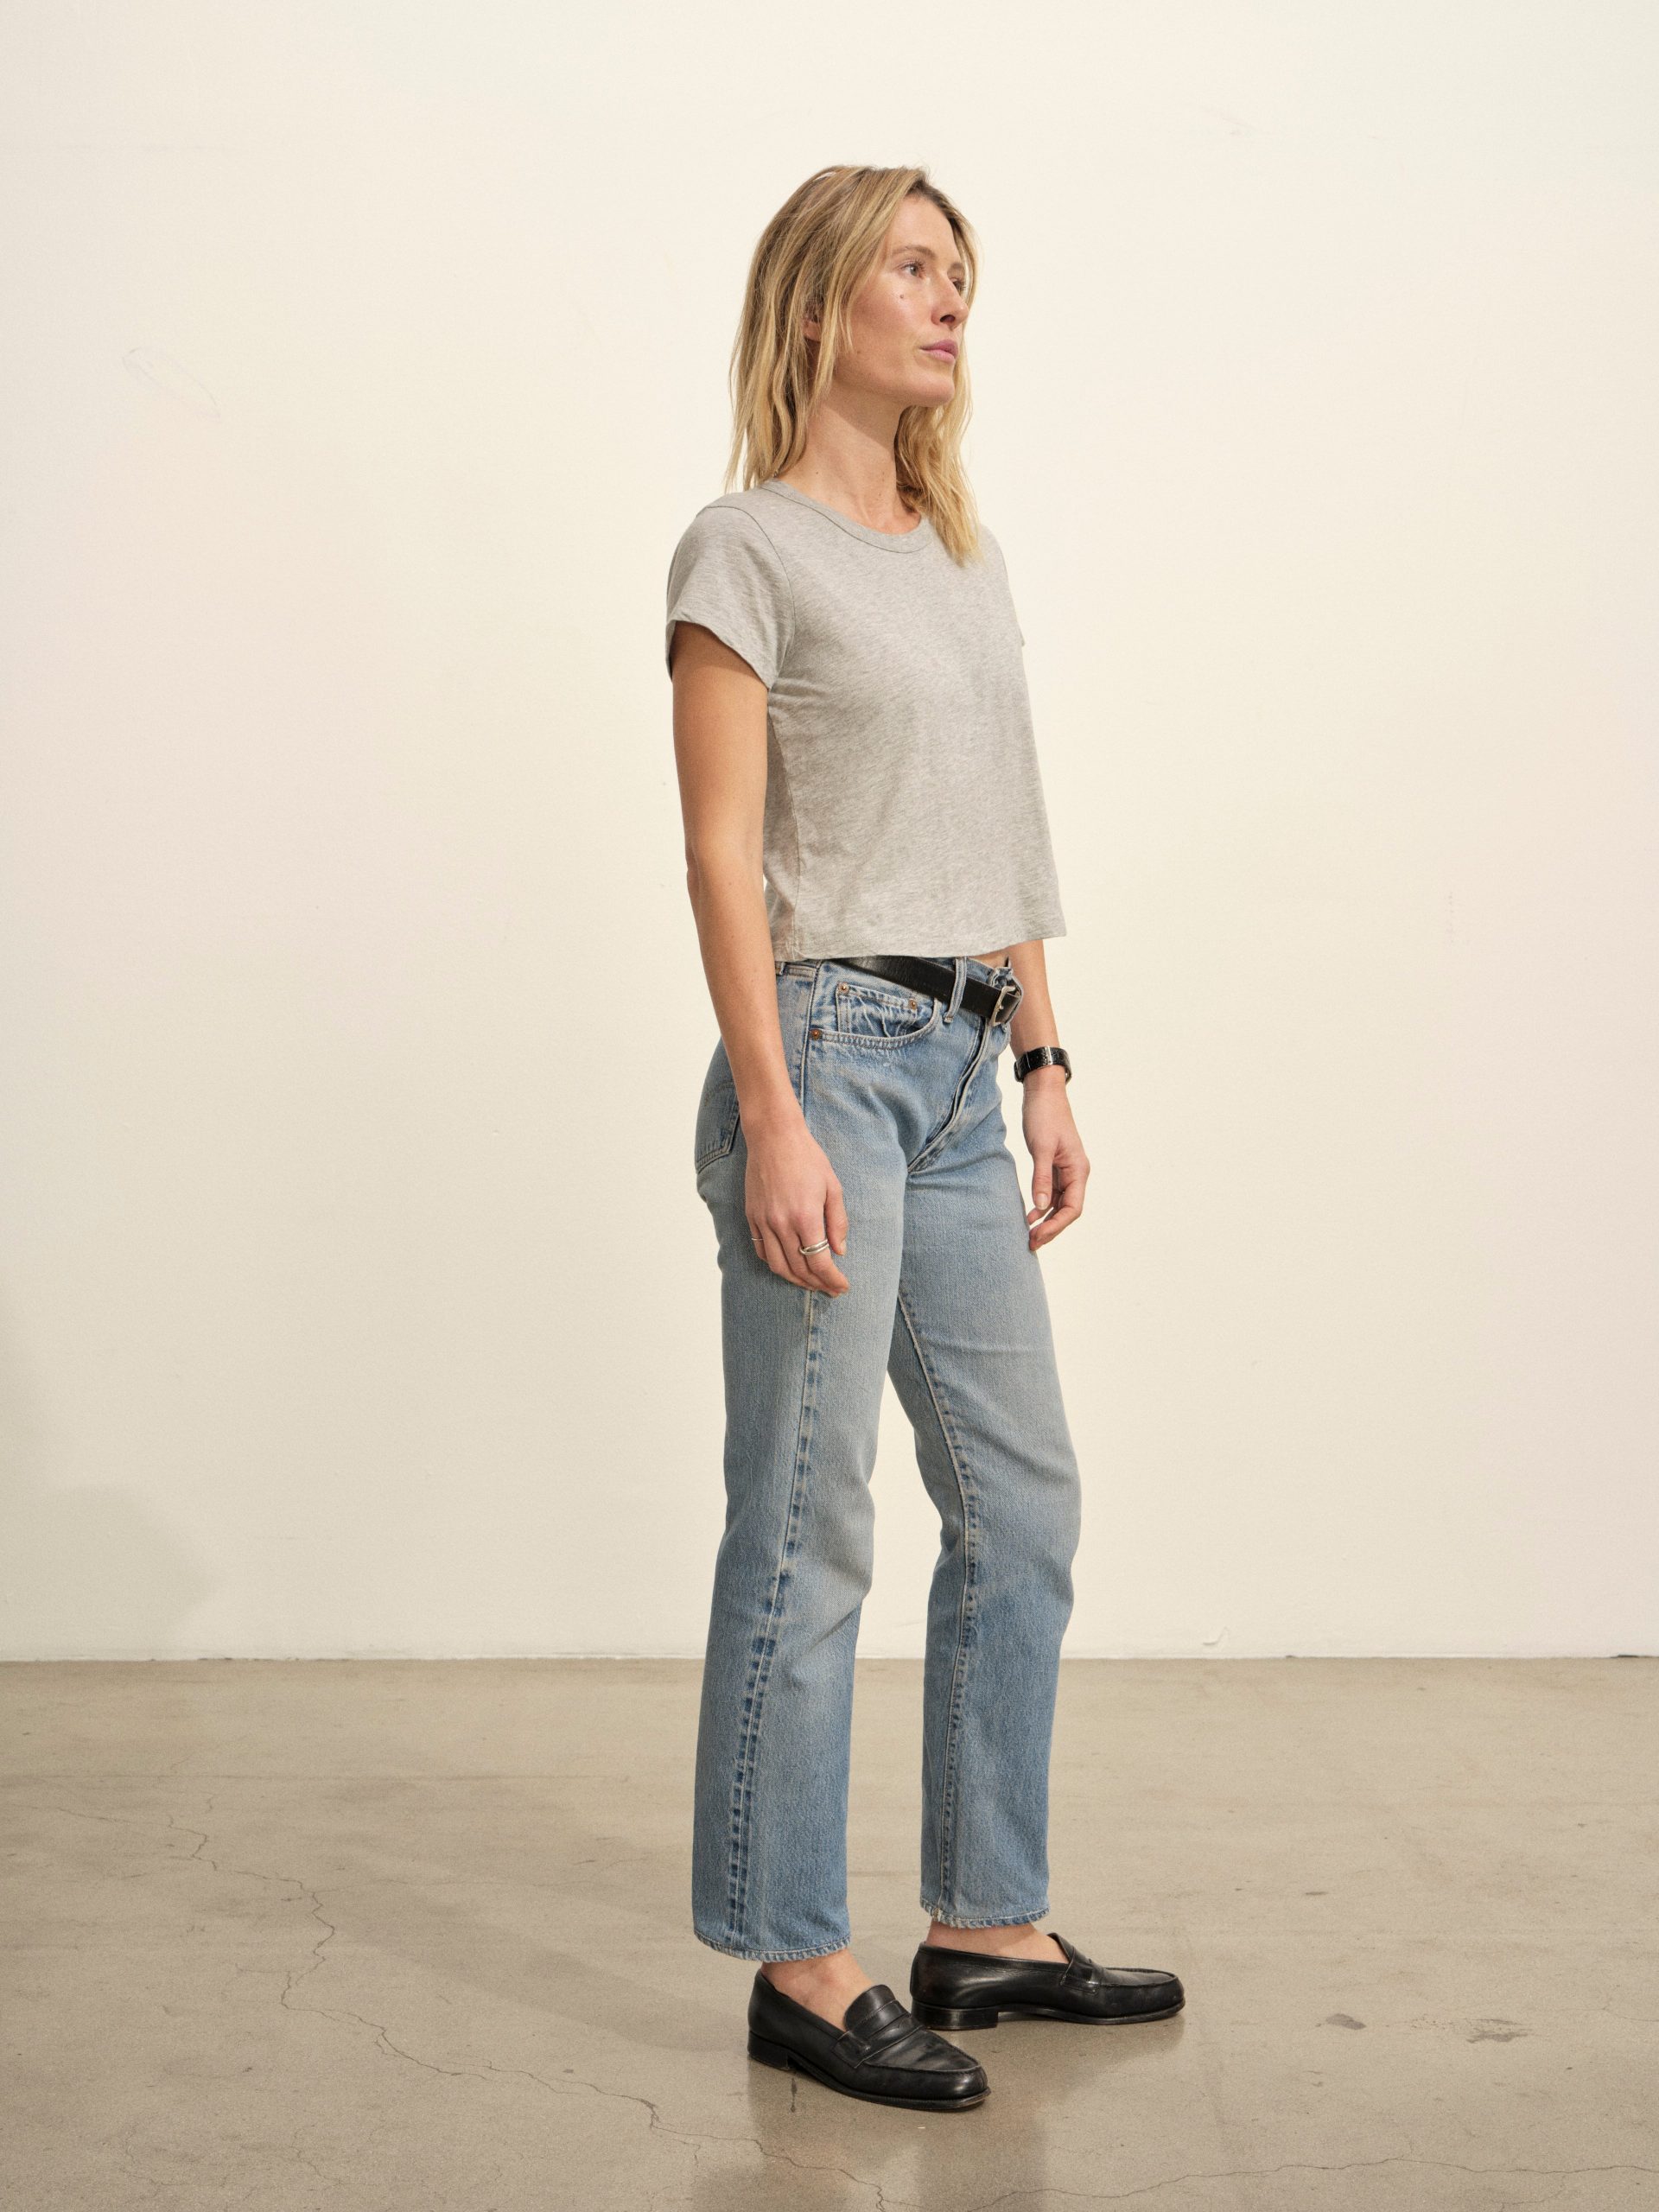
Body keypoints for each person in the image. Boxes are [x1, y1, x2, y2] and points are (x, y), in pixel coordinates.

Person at [664, 164, 1183, 2113]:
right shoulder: (742, 550)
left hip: (969, 1066)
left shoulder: (964, 551)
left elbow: (1006, 826)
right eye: (913, 266)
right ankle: (800, 1959)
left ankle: (986, 1920)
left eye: (963, 272)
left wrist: (1044, 1058)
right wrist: (773, 1113)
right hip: (827, 1052)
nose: (952, 298)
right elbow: (722, 855)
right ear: (820, 305)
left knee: (1021, 1503)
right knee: (812, 1520)